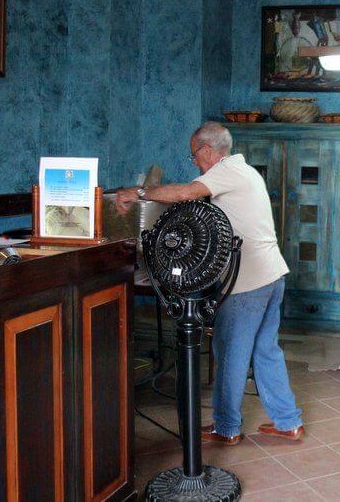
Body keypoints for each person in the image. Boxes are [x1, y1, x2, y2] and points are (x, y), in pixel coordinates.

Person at [116, 122, 304, 444]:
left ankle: (226, 428)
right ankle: (288, 422)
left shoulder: (226, 171)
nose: (196, 165)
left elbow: (188, 193)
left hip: (249, 282)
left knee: (229, 352)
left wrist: (138, 193)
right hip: (273, 276)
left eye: (194, 158)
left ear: (206, 151)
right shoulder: (246, 172)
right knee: (265, 350)